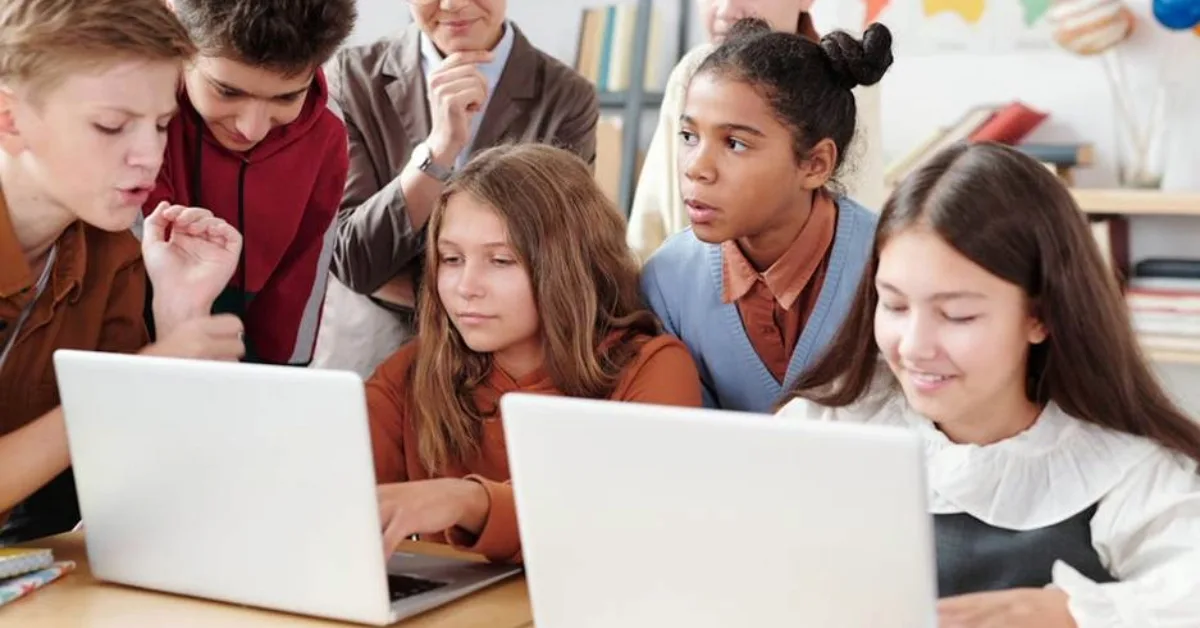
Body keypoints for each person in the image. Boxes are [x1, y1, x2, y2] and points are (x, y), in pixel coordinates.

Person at [778, 142, 1200, 627]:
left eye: (957, 315)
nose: (914, 346)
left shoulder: (1126, 470)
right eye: (894, 305)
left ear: (1039, 316)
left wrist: (1076, 613)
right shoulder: (830, 422)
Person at [367, 144, 702, 562]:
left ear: (569, 265)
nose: (466, 286)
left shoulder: (653, 368)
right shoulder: (411, 374)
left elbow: (627, 525)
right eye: (451, 259)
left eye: (501, 261)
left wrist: (469, 502)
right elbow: (333, 495)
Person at [0, 0, 245, 545]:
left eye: (161, 125)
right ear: (10, 121)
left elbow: (138, 474)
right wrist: (130, 383)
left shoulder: (114, 253)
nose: (148, 155)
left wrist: (179, 317)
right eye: (111, 126)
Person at [314, 0, 600, 378]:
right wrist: (438, 150)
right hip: (372, 355)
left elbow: (551, 261)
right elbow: (354, 259)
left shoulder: (566, 97)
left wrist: (400, 279)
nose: (452, 4)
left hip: (501, 364)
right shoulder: (350, 77)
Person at [640, 19, 889, 412]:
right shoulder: (667, 282)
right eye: (689, 137)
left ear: (815, 164)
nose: (696, 168)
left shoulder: (888, 267)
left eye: (735, 144)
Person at [145, 0, 357, 366]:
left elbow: (302, 276)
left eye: (287, 96)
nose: (251, 128)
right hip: (137, 326)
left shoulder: (327, 131)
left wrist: (282, 376)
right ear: (177, 28)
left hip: (252, 345)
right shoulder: (138, 103)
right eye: (227, 92)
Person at [626, 0, 887, 263]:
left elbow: (858, 236)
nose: (726, 10)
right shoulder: (693, 71)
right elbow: (649, 227)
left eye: (735, 143)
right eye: (689, 136)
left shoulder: (843, 83)